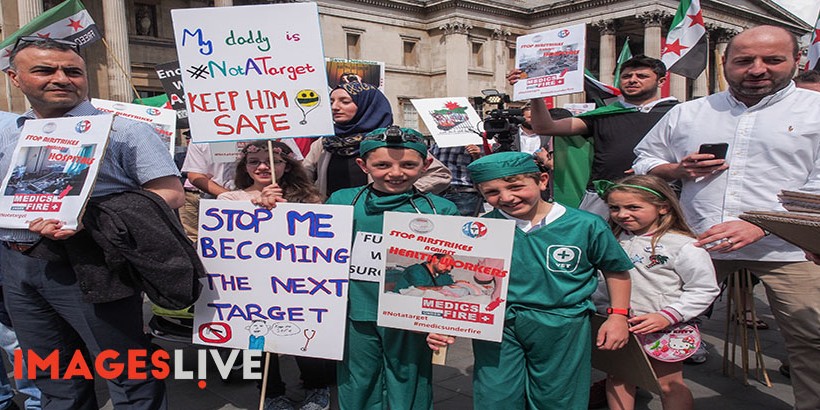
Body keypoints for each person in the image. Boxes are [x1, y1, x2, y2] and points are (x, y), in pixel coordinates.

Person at [632, 25, 820, 410]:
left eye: (772, 60)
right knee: (649, 320)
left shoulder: (815, 111)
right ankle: (636, 389)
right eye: (744, 60)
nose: (757, 69)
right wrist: (675, 168)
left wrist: (762, 223)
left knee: (812, 339)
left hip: (788, 249)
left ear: (796, 61)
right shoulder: (688, 112)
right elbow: (643, 160)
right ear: (724, 63)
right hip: (696, 242)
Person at [0, 37, 183, 409]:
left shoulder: (125, 130)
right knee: (52, 373)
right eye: (44, 70)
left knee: (127, 372)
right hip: (18, 265)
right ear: (15, 78)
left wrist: (94, 217)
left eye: (73, 71)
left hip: (93, 265)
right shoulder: (7, 131)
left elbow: (171, 193)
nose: (61, 78)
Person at [428, 152, 633, 409]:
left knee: (558, 397)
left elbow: (616, 271)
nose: (506, 197)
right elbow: (463, 281)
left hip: (561, 324)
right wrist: (443, 323)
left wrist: (618, 316)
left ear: (543, 180)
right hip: (497, 324)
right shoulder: (479, 228)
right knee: (496, 395)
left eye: (515, 186)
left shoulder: (585, 224)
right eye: (492, 192)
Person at [323, 126, 459, 410]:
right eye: (382, 165)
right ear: (363, 165)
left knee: (409, 379)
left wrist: (442, 323)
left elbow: (449, 270)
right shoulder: (342, 201)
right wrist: (269, 205)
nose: (395, 173)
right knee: (357, 381)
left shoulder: (440, 210)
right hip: (355, 311)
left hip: (411, 315)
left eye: (408, 165)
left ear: (426, 165)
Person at [218, 141, 330, 410]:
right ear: (245, 167)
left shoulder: (311, 198)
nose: (263, 166)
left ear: (287, 166)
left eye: (273, 161)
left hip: (298, 284)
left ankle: (316, 388)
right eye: (253, 161)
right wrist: (253, 209)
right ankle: (270, 393)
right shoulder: (229, 200)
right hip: (251, 286)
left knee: (306, 335)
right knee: (256, 340)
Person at [594, 175, 720, 410]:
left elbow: (704, 288)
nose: (622, 214)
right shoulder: (610, 239)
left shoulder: (684, 246)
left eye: (633, 207)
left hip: (664, 328)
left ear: (662, 207)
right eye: (615, 207)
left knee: (668, 384)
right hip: (616, 323)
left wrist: (668, 315)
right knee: (618, 378)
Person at [508, 55, 678, 216]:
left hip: (658, 194)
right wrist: (535, 93)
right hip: (603, 196)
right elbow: (545, 127)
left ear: (661, 81)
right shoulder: (603, 115)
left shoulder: (678, 112)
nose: (632, 80)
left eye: (641, 76)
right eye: (626, 76)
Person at [302, 81, 451, 196]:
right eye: (331, 102)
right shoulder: (324, 142)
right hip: (333, 218)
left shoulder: (394, 138)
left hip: (380, 216)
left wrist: (398, 194)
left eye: (345, 101)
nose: (335, 107)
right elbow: (303, 176)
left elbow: (440, 175)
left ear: (367, 105)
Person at [429, 144, 483, 216]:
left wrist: (477, 156)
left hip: (463, 193)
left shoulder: (475, 143)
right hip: (437, 191)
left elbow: (484, 168)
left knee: (463, 224)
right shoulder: (436, 144)